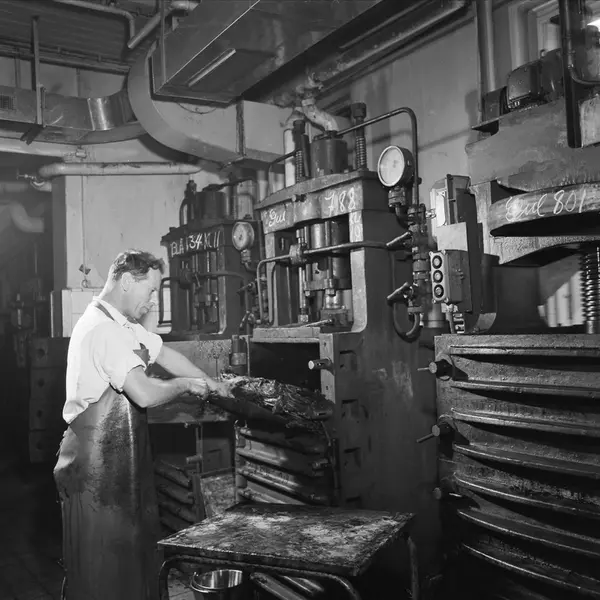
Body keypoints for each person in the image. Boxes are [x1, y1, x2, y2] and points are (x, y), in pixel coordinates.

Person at [53, 249, 232, 600]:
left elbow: (165, 354)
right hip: (94, 471)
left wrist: (212, 385)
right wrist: (185, 386)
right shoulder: (102, 330)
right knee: (102, 569)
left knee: (132, 560)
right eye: (149, 290)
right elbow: (144, 393)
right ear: (125, 281)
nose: (152, 301)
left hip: (119, 464)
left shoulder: (123, 326)